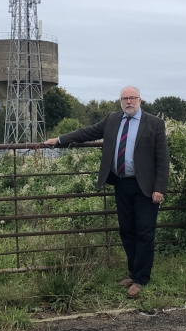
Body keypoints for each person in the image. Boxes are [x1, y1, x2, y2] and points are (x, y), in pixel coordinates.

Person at [45, 85, 169, 298]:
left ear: (140, 100)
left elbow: (162, 158)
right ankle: (133, 272)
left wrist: (159, 188)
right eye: (124, 99)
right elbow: (87, 132)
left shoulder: (154, 123)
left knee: (145, 232)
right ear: (120, 101)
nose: (128, 102)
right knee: (127, 230)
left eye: (132, 98)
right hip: (121, 183)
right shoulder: (112, 120)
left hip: (146, 187)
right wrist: (59, 140)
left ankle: (141, 278)